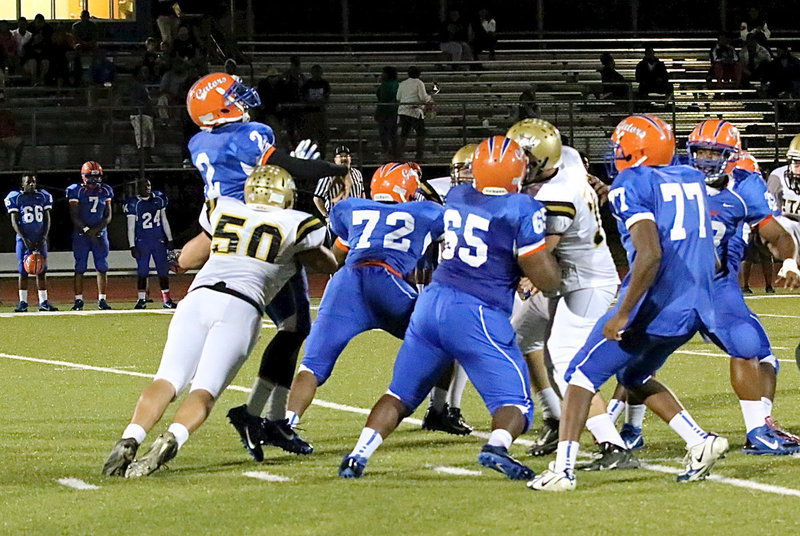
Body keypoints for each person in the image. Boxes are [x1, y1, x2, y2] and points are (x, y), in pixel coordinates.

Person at [338, 136, 562, 479]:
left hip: (431, 304)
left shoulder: (458, 195)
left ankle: (358, 455)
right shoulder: (522, 207)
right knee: (515, 403)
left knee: (398, 394)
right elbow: (544, 278)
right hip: (478, 310)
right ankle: (497, 447)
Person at [101, 166, 338, 478]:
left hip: (197, 298)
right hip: (241, 306)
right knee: (204, 391)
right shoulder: (297, 223)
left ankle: (131, 436)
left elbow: (187, 259)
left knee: (168, 379)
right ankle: (172, 438)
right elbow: (327, 263)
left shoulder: (223, 208)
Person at [529, 115, 725, 491]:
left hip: (655, 304)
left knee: (579, 375)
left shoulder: (631, 182)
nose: (616, 153)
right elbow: (708, 254)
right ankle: (699, 441)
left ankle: (562, 470)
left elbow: (650, 254)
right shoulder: (690, 177)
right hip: (698, 305)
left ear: (636, 151)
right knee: (633, 376)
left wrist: (622, 313)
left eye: (621, 147)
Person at [182, 72, 349, 461]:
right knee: (295, 326)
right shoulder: (249, 134)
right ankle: (262, 417)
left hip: (227, 227)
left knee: (293, 327)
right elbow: (285, 167)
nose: (241, 99)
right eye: (232, 96)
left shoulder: (199, 141)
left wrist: (284, 172)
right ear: (218, 108)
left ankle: (268, 418)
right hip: (260, 229)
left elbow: (255, 173)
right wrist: (337, 170)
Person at [614, 121, 800, 456]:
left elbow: (775, 234)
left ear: (732, 156)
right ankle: (625, 427)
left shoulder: (745, 187)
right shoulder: (672, 178)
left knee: (750, 347)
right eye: (700, 151)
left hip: (717, 285)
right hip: (671, 281)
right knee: (636, 358)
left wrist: (788, 261)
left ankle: (759, 429)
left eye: (714, 153)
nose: (705, 159)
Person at [285, 163, 446, 447]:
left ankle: (286, 423)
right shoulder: (428, 212)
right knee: (443, 341)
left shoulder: (352, 208)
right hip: (390, 285)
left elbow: (334, 258)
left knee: (311, 366)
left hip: (347, 284)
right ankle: (439, 409)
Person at [505, 119, 626, 468]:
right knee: (529, 340)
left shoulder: (555, 194)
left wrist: (525, 273)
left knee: (566, 362)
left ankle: (612, 442)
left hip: (585, 281)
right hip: (572, 276)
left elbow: (541, 253)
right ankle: (557, 417)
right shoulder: (568, 158)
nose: (517, 164)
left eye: (524, 159)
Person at [4, 175, 58, 312]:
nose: (32, 184)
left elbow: (47, 219)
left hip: (40, 238)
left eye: (33, 182)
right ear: (22, 184)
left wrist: (43, 237)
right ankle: (23, 302)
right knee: (23, 271)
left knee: (41, 269)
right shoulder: (16, 197)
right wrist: (24, 238)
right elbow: (14, 221)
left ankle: (43, 302)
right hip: (24, 239)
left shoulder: (43, 196)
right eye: (28, 182)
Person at [67, 161, 114, 311]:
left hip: (100, 233)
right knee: (80, 267)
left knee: (102, 267)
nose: (94, 180)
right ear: (84, 176)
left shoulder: (105, 190)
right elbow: (74, 216)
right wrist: (88, 230)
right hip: (82, 234)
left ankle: (102, 300)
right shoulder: (76, 191)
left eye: (97, 176)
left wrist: (97, 230)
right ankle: (78, 300)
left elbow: (108, 216)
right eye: (91, 176)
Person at [124, 179, 176, 310]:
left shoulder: (159, 199)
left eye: (148, 185)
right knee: (142, 271)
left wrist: (169, 239)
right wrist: (132, 245)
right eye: (144, 186)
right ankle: (141, 299)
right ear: (138, 188)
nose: (147, 188)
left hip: (158, 240)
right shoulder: (134, 203)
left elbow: (164, 220)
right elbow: (131, 227)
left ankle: (167, 299)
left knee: (163, 270)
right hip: (142, 241)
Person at [312, 145, 365, 221]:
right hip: (337, 218)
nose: (344, 159)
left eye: (346, 156)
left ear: (350, 158)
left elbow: (362, 193)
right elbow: (317, 198)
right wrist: (326, 216)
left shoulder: (357, 173)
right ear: (335, 159)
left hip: (356, 217)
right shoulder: (328, 176)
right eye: (340, 156)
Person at [397, 66, 432, 162]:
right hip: (414, 111)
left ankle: (399, 155)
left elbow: (398, 97)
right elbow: (423, 97)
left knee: (404, 133)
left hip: (403, 110)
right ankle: (419, 155)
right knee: (420, 133)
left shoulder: (402, 83)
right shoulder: (419, 83)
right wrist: (429, 98)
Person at [128, 65, 156, 163]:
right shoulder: (135, 86)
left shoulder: (143, 86)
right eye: (143, 72)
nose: (146, 74)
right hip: (139, 114)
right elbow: (136, 100)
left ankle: (148, 159)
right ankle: (142, 161)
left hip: (147, 114)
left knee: (149, 139)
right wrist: (147, 105)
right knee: (142, 139)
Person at [301, 65, 331, 156]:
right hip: (309, 113)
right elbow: (304, 96)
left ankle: (323, 154)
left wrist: (320, 102)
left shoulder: (324, 83)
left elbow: (327, 96)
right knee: (308, 135)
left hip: (320, 112)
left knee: (322, 135)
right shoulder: (307, 84)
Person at [375, 66, 399, 159]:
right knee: (393, 134)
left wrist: (378, 113)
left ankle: (387, 152)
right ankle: (395, 152)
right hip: (394, 111)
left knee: (384, 133)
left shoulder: (385, 86)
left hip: (385, 112)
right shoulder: (397, 84)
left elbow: (383, 99)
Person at [0, 93, 24, 170]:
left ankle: (15, 166)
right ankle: (7, 167)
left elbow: (14, 124)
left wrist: (16, 133)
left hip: (7, 137)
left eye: (1, 101)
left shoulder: (7, 113)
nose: (1, 103)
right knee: (7, 146)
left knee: (19, 143)